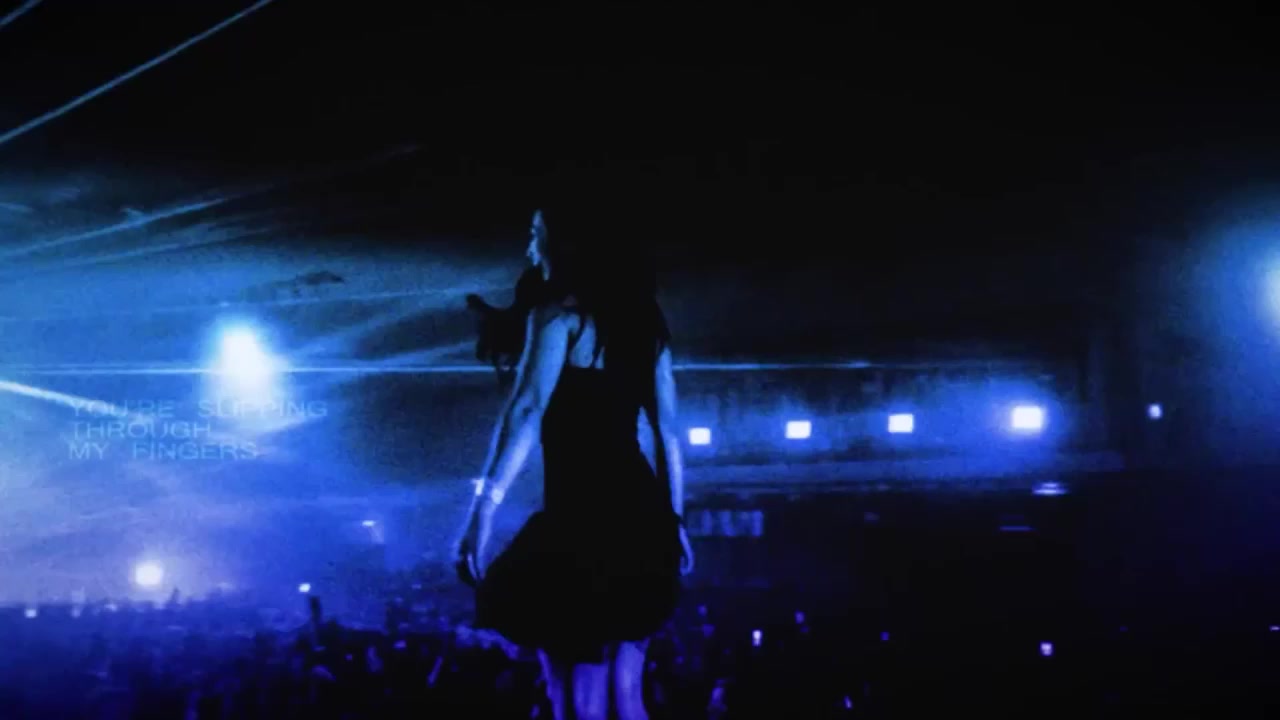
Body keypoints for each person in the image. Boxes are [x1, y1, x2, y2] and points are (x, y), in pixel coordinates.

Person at [454, 209, 694, 720]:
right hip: (640, 515)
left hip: (580, 519)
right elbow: (668, 430)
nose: (529, 247)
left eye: (535, 235)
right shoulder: (644, 320)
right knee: (625, 693)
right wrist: (675, 519)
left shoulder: (557, 316)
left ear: (563, 243)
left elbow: (526, 411)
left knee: (574, 698)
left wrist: (483, 509)